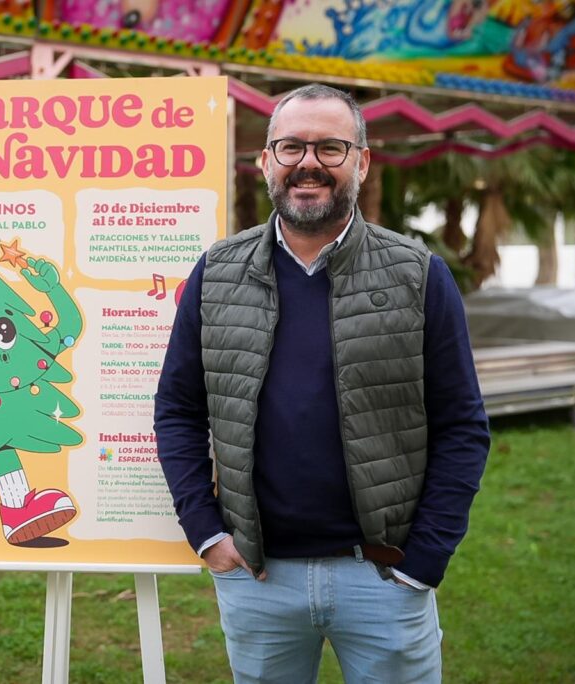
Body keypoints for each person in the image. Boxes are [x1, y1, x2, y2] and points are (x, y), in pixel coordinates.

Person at [153, 83, 490, 683]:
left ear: (361, 161)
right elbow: (178, 408)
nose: (308, 163)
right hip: (258, 577)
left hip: (384, 578)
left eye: (330, 148)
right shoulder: (216, 273)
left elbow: (462, 426)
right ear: (265, 162)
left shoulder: (420, 276)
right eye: (290, 147)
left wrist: (426, 558)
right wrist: (206, 533)